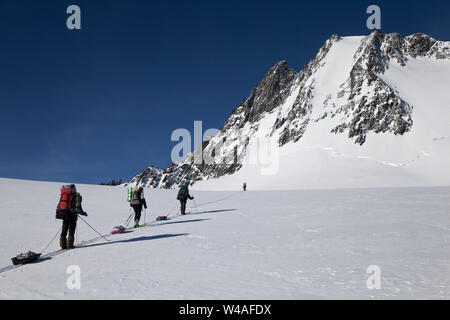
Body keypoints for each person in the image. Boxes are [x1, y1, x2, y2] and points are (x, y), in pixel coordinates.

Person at [57, 184, 87, 250]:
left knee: (64, 229)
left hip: (64, 214)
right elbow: (79, 207)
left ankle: (63, 245)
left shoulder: (64, 194)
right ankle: (70, 245)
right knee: (71, 230)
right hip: (72, 215)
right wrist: (83, 213)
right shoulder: (77, 196)